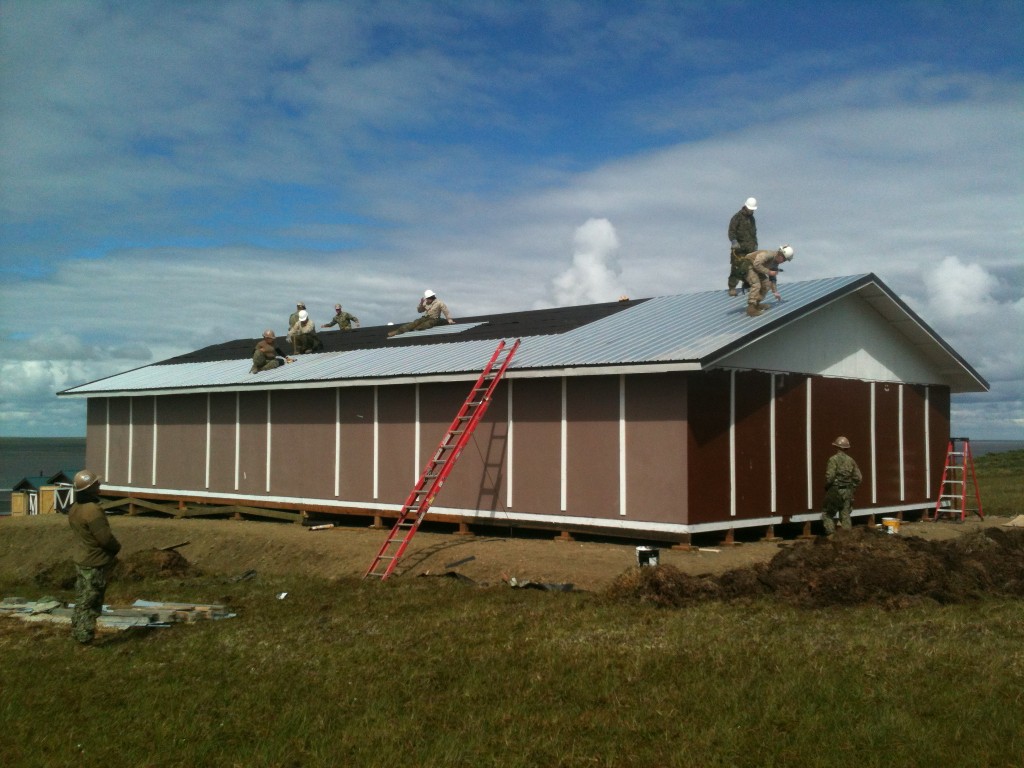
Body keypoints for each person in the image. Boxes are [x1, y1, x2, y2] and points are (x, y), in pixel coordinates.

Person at [68, 469, 121, 645]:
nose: (99, 486)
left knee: (82, 598)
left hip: (82, 558)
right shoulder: (93, 511)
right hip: (95, 561)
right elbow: (104, 538)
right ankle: (85, 637)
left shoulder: (75, 508)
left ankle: (78, 631)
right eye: (96, 484)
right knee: (91, 600)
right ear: (89, 489)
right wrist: (116, 548)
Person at [821, 436, 863, 535]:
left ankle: (831, 536)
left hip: (835, 490)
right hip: (848, 491)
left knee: (827, 513)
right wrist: (852, 487)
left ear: (836, 447)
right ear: (846, 448)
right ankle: (847, 538)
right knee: (845, 515)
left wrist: (827, 486)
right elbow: (859, 478)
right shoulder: (851, 460)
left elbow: (830, 477)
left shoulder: (833, 460)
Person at [740, 245, 794, 317]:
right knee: (756, 284)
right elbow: (756, 264)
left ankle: (756, 304)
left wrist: (775, 292)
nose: (783, 262)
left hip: (756, 269)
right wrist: (769, 272)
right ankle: (751, 309)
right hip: (746, 265)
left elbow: (772, 278)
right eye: (784, 259)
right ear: (781, 255)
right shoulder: (768, 255)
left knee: (766, 284)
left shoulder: (775, 264)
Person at [387, 289, 455, 337]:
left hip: (434, 319)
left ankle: (414, 331)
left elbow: (446, 311)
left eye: (429, 298)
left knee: (426, 324)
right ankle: (397, 332)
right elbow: (420, 311)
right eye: (427, 298)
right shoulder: (425, 303)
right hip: (425, 317)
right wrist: (421, 304)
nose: (428, 299)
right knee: (414, 323)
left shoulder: (439, 303)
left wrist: (449, 319)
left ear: (432, 297)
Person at [727, 197, 759, 296]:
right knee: (737, 268)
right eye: (751, 209)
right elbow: (731, 231)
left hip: (750, 248)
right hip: (739, 248)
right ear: (746, 207)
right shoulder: (737, 217)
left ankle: (747, 285)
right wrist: (734, 241)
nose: (752, 211)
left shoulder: (752, 219)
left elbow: (753, 234)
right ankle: (732, 287)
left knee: (749, 268)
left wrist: (755, 245)